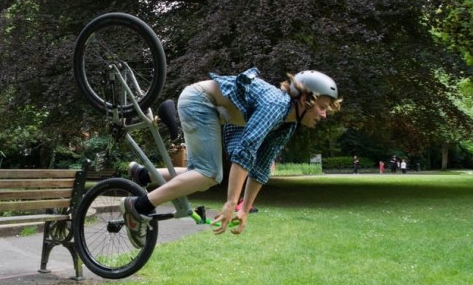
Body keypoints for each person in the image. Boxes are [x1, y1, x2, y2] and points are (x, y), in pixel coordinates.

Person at [119, 68, 342, 247]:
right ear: (304, 100)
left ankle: (144, 174)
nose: (324, 115)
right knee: (209, 174)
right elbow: (246, 150)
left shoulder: (287, 123)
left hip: (211, 110)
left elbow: (261, 166)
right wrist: (231, 202)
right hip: (200, 101)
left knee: (203, 175)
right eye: (322, 107)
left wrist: (244, 210)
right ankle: (138, 207)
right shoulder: (276, 105)